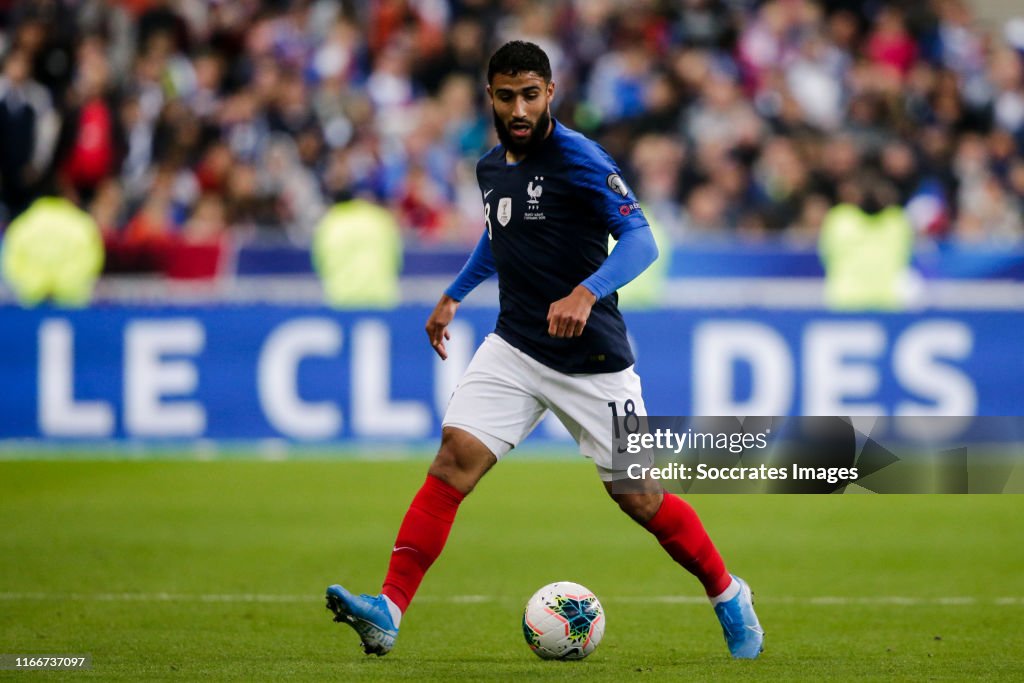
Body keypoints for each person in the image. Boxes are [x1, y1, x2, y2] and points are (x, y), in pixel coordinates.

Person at [325, 41, 764, 660]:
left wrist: (587, 292)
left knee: (638, 496)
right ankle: (389, 610)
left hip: (594, 361)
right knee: (453, 460)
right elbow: (498, 234)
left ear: (550, 92)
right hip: (517, 345)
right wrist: (454, 294)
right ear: (491, 98)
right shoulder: (490, 168)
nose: (519, 107)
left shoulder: (580, 159)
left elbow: (641, 241)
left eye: (531, 94)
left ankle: (727, 593)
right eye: (507, 96)